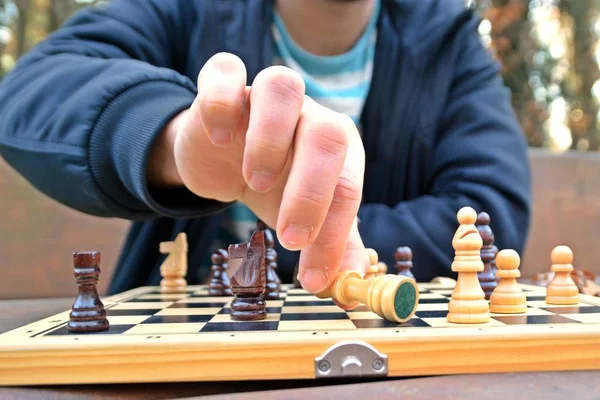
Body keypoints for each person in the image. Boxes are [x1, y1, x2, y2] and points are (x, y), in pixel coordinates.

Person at [0, 0, 531, 295]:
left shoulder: (450, 41)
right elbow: (29, 93)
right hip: (190, 369)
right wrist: (171, 141)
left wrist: (299, 251)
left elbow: (489, 217)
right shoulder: (186, 9)